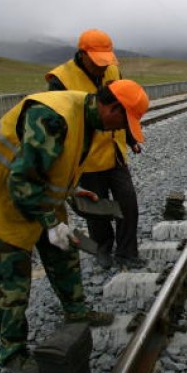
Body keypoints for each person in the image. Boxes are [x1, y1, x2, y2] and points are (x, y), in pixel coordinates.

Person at [0, 80, 150, 373]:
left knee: (64, 250)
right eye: (124, 122)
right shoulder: (52, 117)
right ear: (112, 108)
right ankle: (11, 354)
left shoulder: (87, 117)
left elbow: (53, 164)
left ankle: (76, 311)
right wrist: (50, 222)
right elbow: (21, 182)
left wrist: (70, 192)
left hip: (37, 192)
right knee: (12, 281)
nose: (119, 130)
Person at [46, 28, 145, 269]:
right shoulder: (61, 78)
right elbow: (58, 118)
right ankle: (103, 249)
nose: (103, 67)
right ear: (82, 55)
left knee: (127, 203)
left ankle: (127, 253)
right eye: (97, 61)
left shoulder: (112, 69)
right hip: (86, 157)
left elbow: (122, 104)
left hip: (114, 151)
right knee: (96, 209)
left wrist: (131, 137)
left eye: (105, 61)